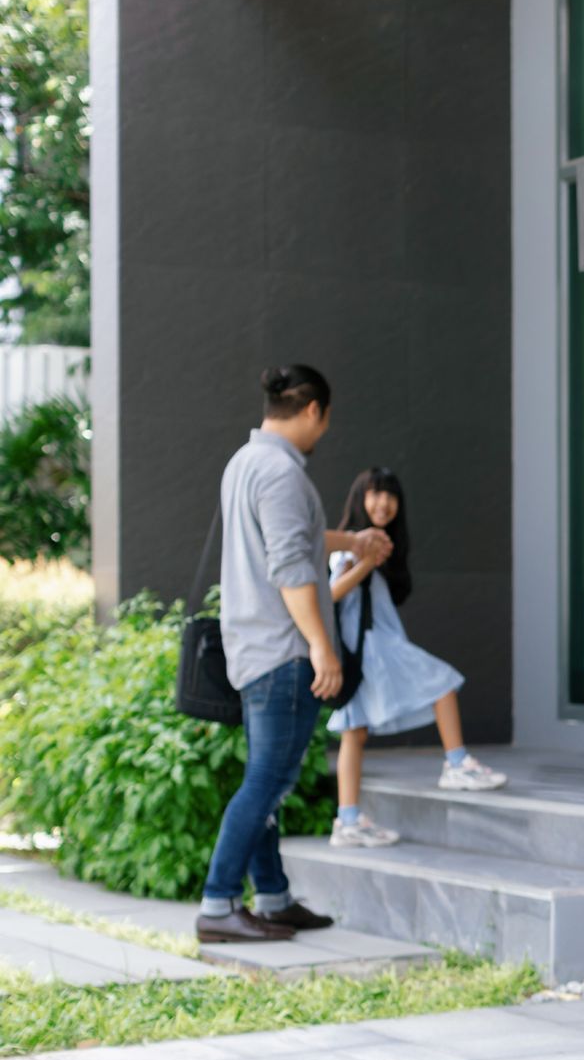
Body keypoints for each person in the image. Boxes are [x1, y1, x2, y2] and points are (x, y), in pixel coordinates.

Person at [199, 366, 392, 943]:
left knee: (268, 780)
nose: (324, 429)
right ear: (314, 410)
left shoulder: (245, 463)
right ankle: (217, 905)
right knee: (267, 781)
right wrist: (320, 645)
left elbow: (292, 538)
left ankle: (274, 898)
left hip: (252, 647)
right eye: (326, 419)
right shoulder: (282, 473)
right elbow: (289, 569)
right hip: (283, 652)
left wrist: (351, 542)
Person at [327, 466, 506, 847]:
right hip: (370, 648)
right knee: (441, 682)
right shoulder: (349, 547)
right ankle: (457, 764)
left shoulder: (384, 549)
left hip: (370, 648)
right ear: (360, 498)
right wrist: (365, 562)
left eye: (391, 496)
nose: (384, 503)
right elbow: (332, 593)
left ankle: (348, 820)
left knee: (354, 732)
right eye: (376, 494)